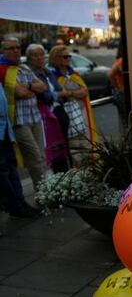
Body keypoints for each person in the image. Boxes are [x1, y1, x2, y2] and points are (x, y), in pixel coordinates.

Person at [0, 37, 48, 191]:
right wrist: (30, 88)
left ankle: (45, 192)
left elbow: (43, 87)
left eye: (18, 47)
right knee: (34, 157)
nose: (15, 50)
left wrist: (28, 86)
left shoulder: (24, 68)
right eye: (11, 48)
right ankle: (43, 193)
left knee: (41, 157)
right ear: (3, 51)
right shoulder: (2, 69)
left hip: (34, 117)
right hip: (18, 121)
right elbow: (20, 92)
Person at [48, 45, 98, 168]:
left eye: (69, 56)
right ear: (56, 58)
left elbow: (84, 92)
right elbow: (58, 95)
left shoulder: (73, 74)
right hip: (67, 122)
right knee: (76, 157)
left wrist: (69, 93)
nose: (68, 59)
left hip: (81, 120)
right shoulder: (53, 76)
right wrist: (73, 93)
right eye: (65, 56)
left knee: (88, 152)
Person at [24, 43, 70, 173]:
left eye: (41, 54)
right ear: (29, 58)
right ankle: (56, 177)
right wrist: (57, 95)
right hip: (44, 115)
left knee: (63, 149)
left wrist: (57, 95)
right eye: (35, 55)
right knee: (49, 150)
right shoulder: (29, 73)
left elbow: (59, 92)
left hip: (58, 111)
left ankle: (64, 175)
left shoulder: (47, 71)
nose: (39, 58)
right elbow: (45, 97)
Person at [0, 82, 40, 218]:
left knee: (11, 167)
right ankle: (13, 205)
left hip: (4, 130)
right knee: (3, 173)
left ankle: (18, 204)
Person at [108, 44, 127, 129]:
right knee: (125, 120)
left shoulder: (120, 60)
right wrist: (118, 87)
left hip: (122, 92)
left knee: (124, 119)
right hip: (122, 93)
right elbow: (110, 74)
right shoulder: (122, 60)